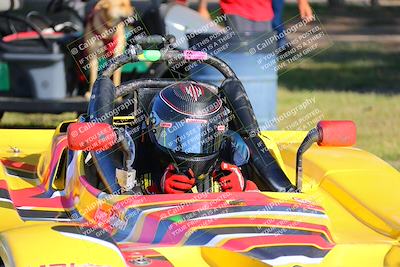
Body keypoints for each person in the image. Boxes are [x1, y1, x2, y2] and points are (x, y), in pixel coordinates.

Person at [89, 81, 259, 194]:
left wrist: (245, 189)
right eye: (180, 137)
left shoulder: (234, 150)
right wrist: (157, 191)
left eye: (204, 136)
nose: (192, 147)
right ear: (154, 129)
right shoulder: (131, 150)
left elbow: (269, 204)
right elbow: (111, 206)